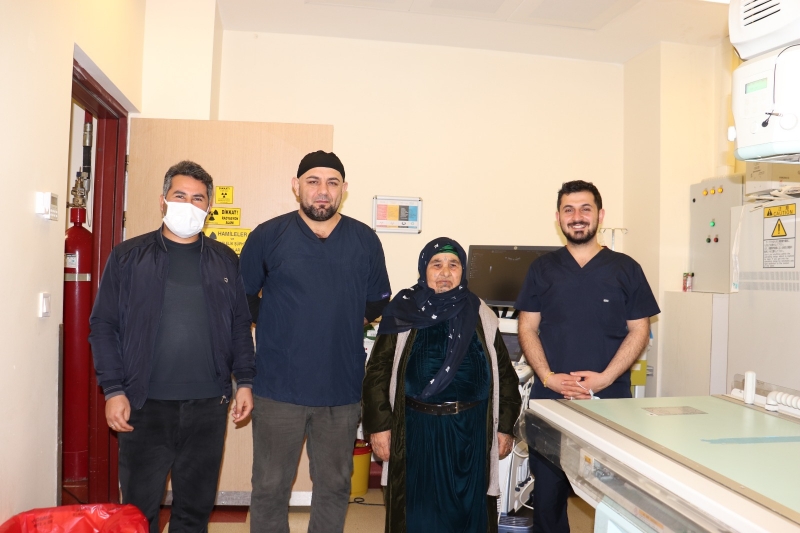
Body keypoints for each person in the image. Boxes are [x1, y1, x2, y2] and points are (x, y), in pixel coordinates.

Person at [89, 160, 256, 533]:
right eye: (180, 195)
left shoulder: (225, 260)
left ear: (208, 207)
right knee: (138, 512)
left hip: (208, 406)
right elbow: (103, 325)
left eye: (198, 198)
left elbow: (239, 325)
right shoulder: (128, 257)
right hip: (144, 406)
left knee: (194, 511)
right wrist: (113, 389)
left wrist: (244, 381)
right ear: (163, 200)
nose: (188, 204)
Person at [240, 150, 392, 533]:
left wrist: (343, 318)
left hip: (340, 391)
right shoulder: (268, 236)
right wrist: (278, 319)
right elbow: (242, 298)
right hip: (278, 389)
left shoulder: (364, 240)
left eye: (332, 182)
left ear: (343, 189)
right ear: (296, 186)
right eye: (313, 181)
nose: (322, 190)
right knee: (270, 486)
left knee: (335, 486)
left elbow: (377, 300)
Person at [515, 180, 660, 533]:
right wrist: (548, 377)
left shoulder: (626, 268)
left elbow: (639, 330)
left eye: (585, 209)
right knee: (547, 498)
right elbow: (527, 328)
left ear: (600, 215)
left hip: (609, 400)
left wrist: (606, 378)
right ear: (558, 217)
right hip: (552, 399)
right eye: (569, 209)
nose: (577, 217)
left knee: (615, 496)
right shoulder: (542, 268)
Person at [362, 237, 522, 533]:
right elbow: (377, 372)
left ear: (463, 271)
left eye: (453, 265)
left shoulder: (481, 313)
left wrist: (505, 427)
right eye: (437, 264)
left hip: (472, 431)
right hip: (416, 430)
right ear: (424, 269)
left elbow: (505, 374)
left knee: (468, 511)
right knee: (419, 512)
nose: (445, 272)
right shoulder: (403, 309)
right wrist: (380, 427)